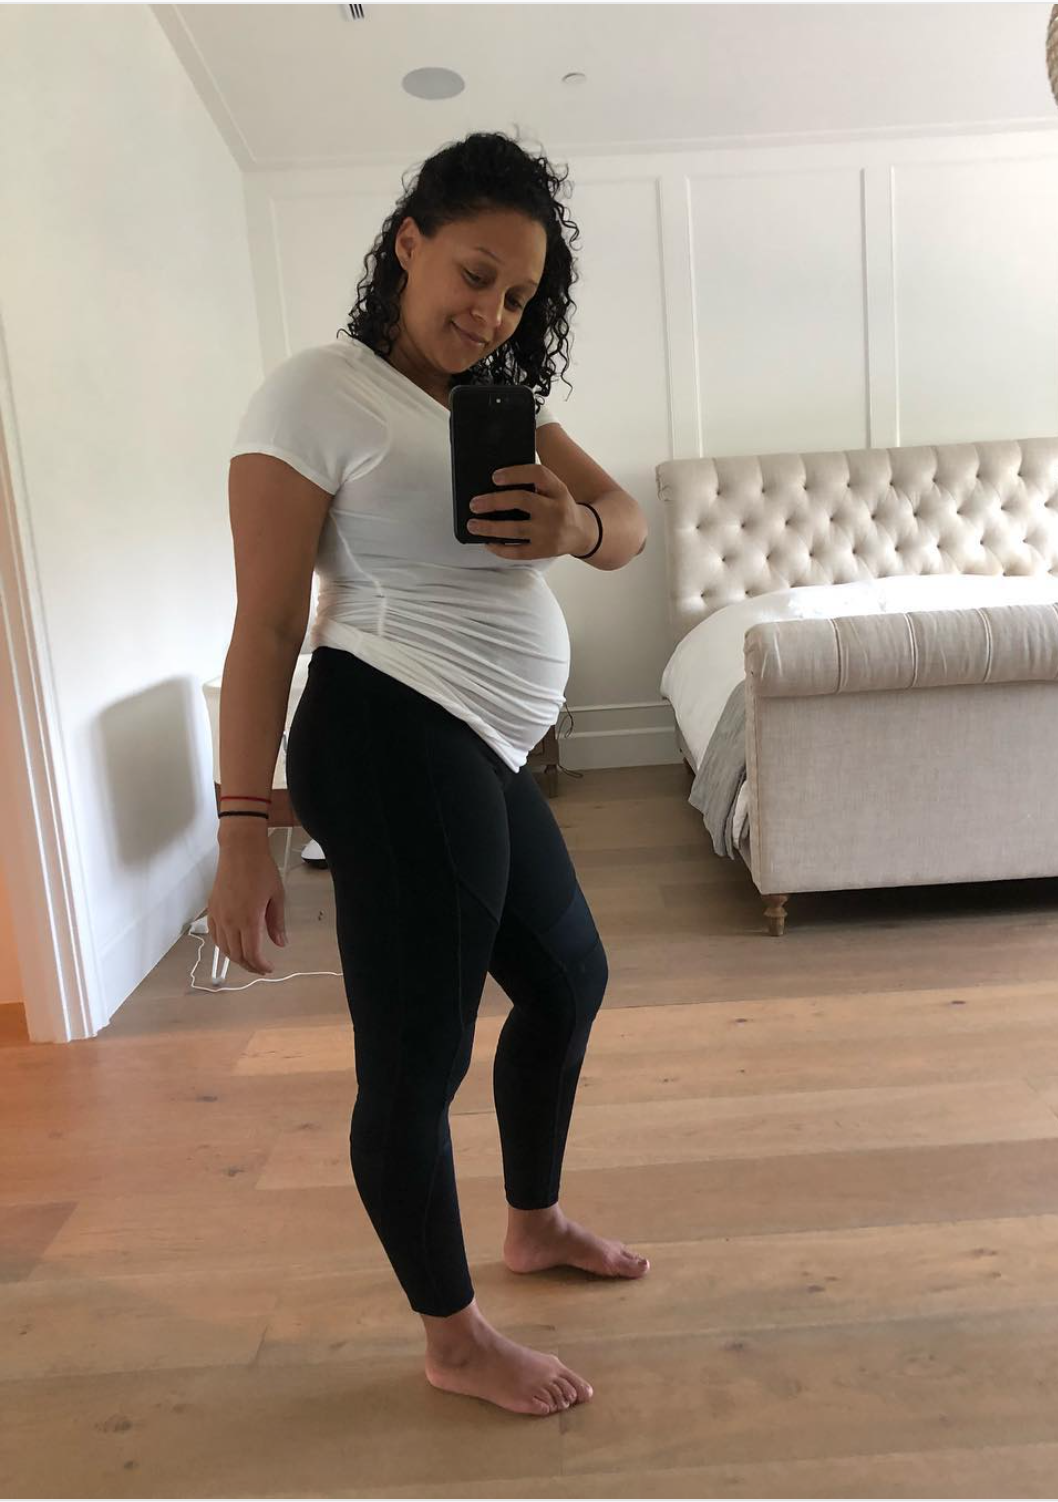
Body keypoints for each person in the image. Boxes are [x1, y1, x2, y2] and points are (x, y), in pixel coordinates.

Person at [205, 131, 649, 1419]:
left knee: (567, 981)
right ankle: (451, 1337)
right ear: (408, 242)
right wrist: (242, 831)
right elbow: (266, 625)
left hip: (479, 744)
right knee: (415, 1061)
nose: (490, 311)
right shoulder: (315, 395)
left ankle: (533, 1223)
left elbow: (629, 525)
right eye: (473, 274)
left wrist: (577, 527)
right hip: (388, 730)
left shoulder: (498, 403)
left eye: (518, 294)